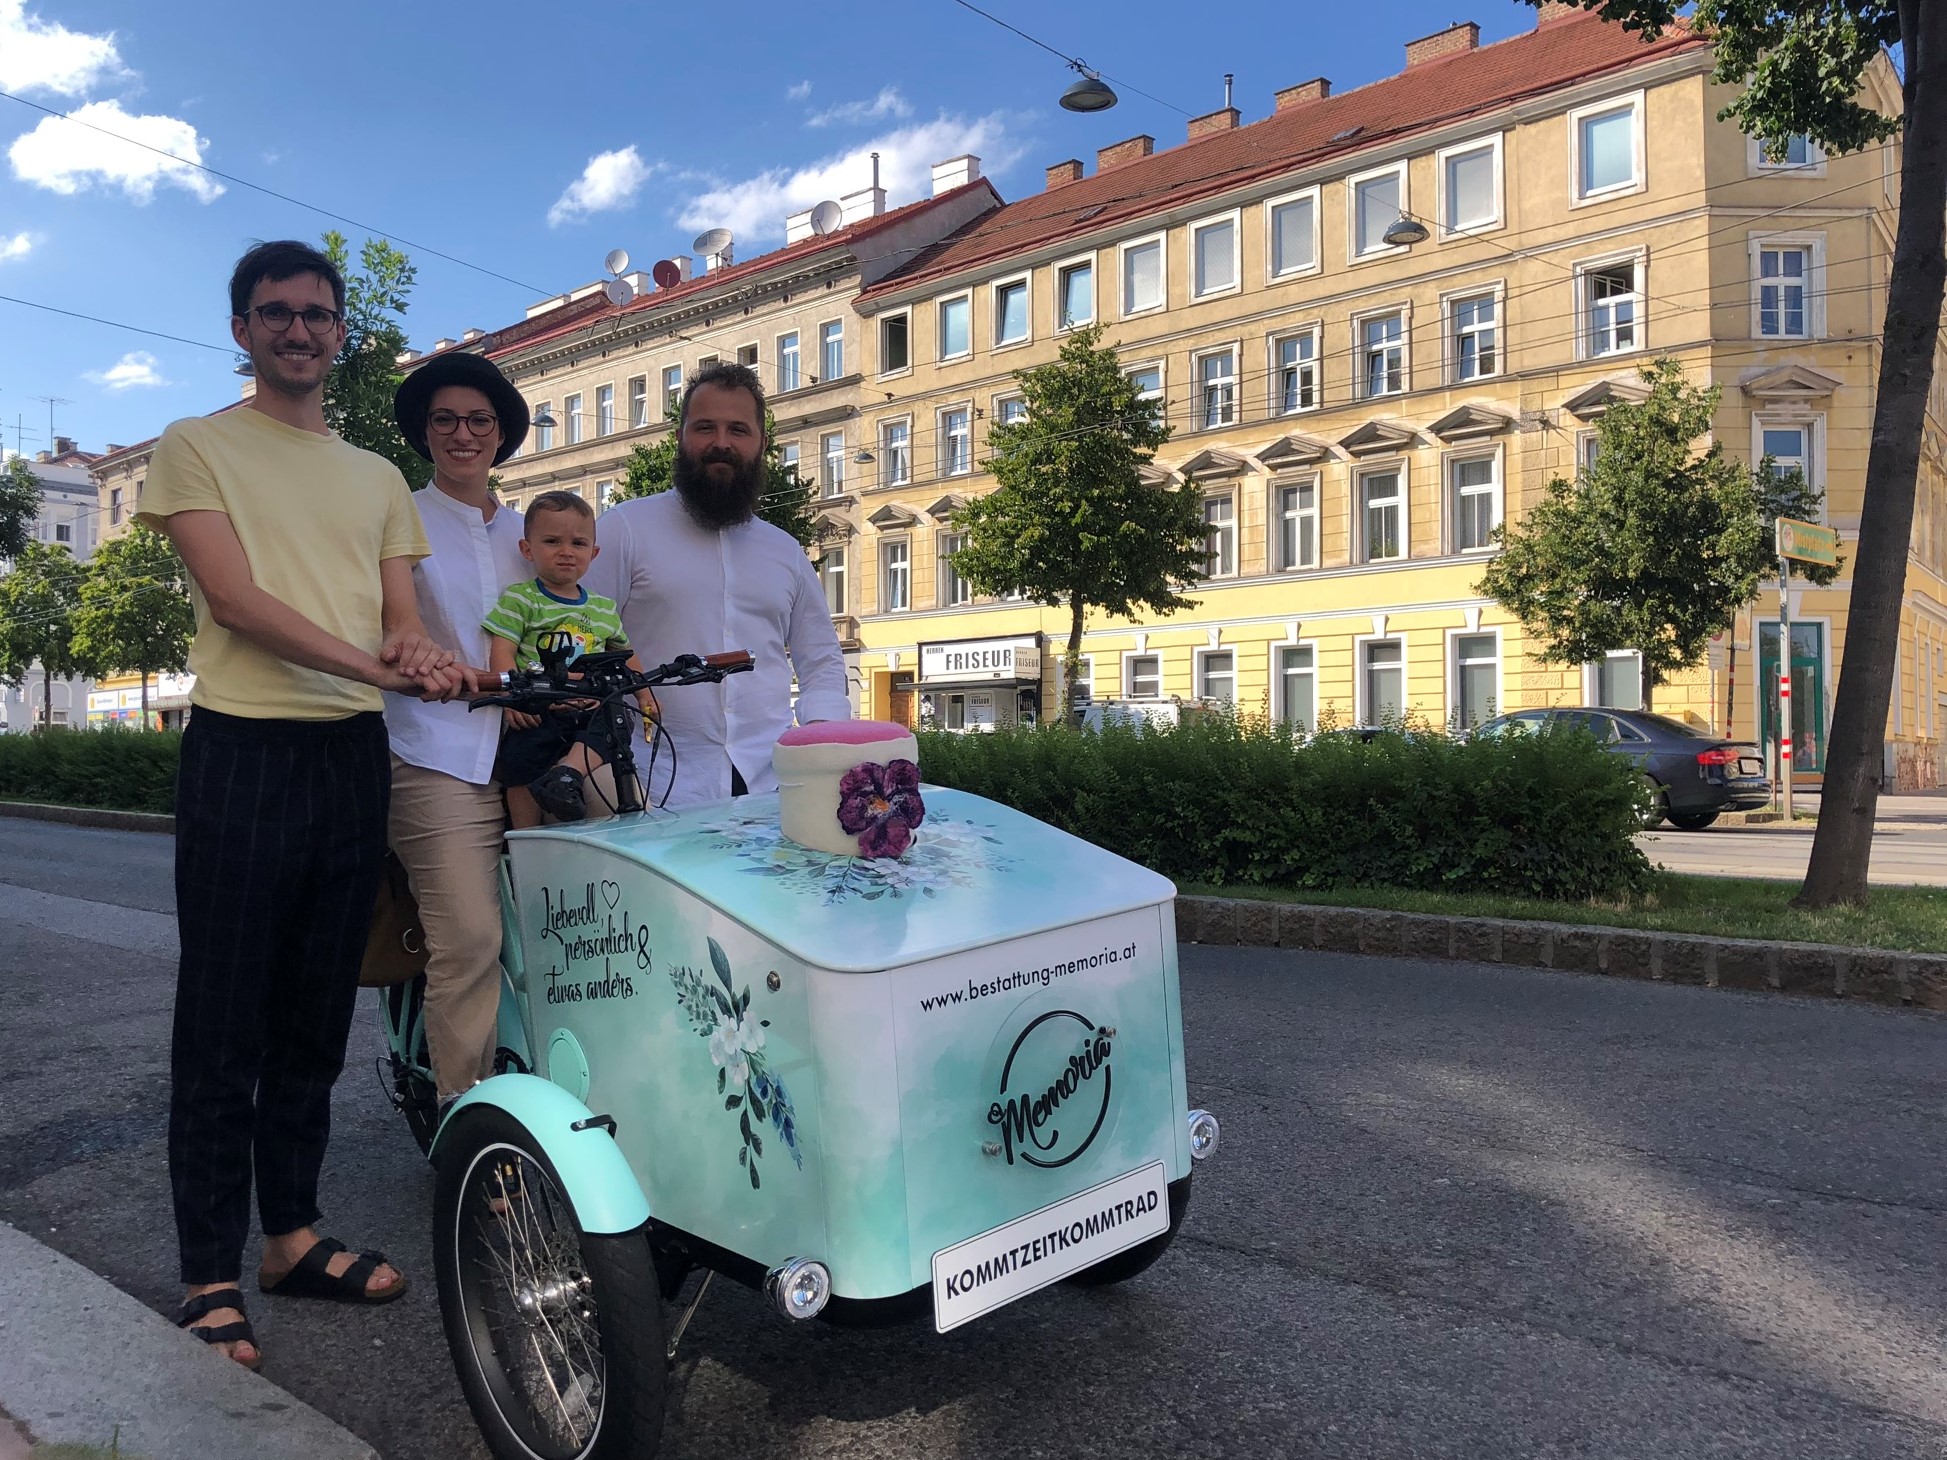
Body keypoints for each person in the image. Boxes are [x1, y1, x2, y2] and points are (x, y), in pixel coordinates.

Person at [139, 240, 467, 1370]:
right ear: (241, 328)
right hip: (243, 751)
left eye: (317, 315)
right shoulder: (196, 447)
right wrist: (381, 668)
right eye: (275, 312)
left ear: (341, 335)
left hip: (348, 760)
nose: (298, 329)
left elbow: (395, 620)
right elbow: (234, 603)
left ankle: (290, 1235)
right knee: (221, 1023)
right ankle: (206, 1273)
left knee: (315, 1019)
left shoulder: (376, 476)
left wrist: (427, 659)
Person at [586, 362, 850, 807]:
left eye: (738, 430)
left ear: (763, 444)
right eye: (705, 427)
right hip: (652, 782)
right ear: (680, 437)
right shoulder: (623, 530)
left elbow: (821, 660)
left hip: (771, 783)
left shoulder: (785, 550)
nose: (721, 443)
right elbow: (585, 638)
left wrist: (821, 739)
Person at [384, 351, 531, 1105]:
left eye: (479, 419)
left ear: (501, 432)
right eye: (444, 419)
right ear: (424, 431)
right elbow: (374, 629)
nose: (463, 433)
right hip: (435, 753)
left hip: (533, 754)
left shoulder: (533, 535)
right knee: (470, 940)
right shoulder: (397, 519)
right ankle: (463, 1114)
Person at [482, 490, 660, 825]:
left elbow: (624, 656)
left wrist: (645, 694)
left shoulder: (603, 607)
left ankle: (568, 772)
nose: (566, 552)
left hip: (589, 710)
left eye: (578, 544)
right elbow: (502, 648)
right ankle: (525, 836)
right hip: (540, 705)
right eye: (552, 541)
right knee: (520, 757)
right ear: (527, 549)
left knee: (616, 720)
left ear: (593, 553)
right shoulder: (521, 598)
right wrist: (512, 697)